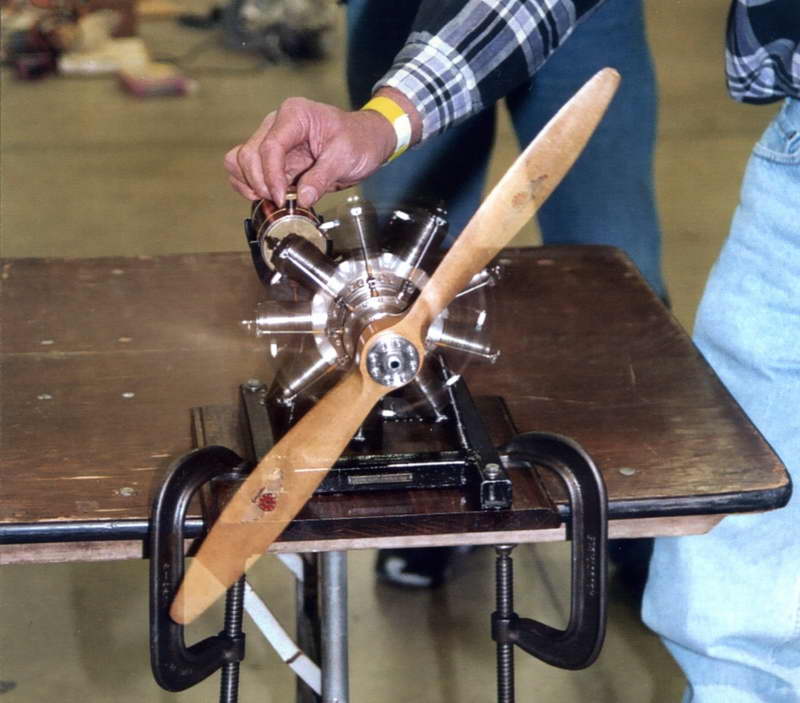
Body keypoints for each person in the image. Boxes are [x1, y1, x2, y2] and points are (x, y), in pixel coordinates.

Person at [226, 1, 799, 698]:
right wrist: (385, 120)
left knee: (622, 279)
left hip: (590, 22)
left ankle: (636, 524)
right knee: (406, 266)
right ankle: (429, 507)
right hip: (410, 17)